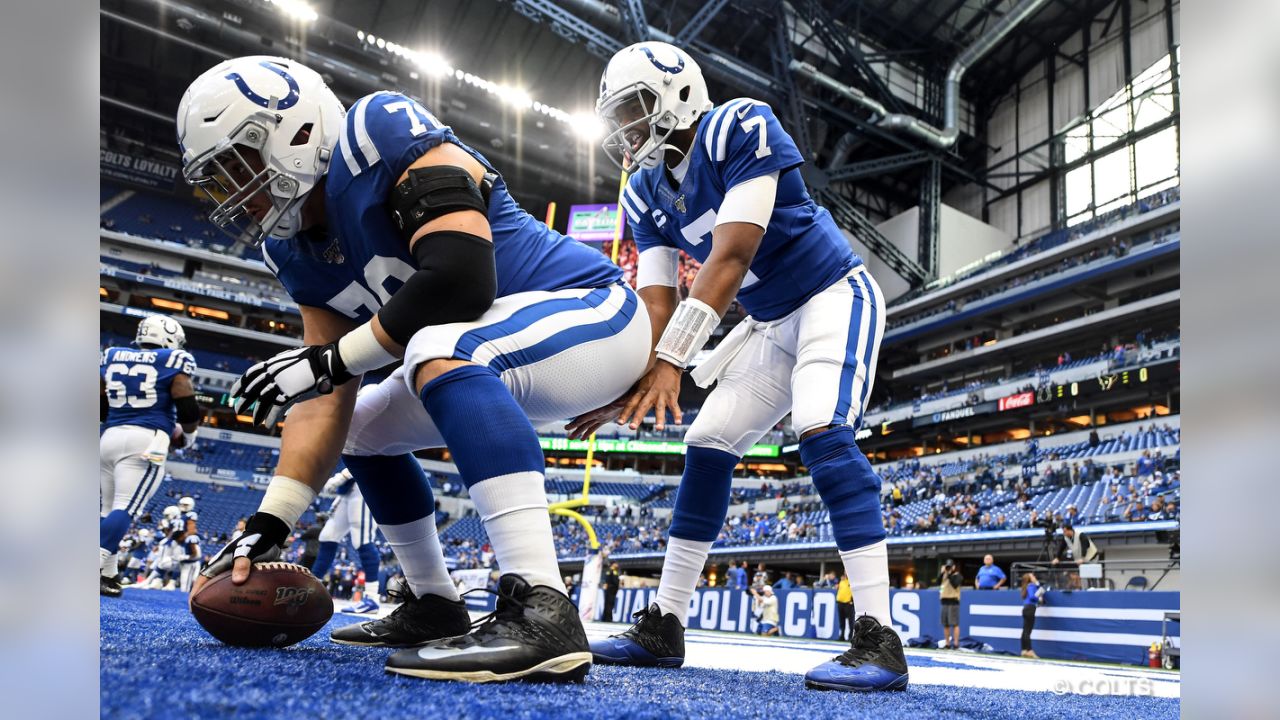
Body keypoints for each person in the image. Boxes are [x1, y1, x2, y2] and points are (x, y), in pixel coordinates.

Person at [179, 56, 650, 683]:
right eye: (222, 180)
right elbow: (328, 395)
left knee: (438, 346)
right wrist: (270, 522)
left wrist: (326, 363)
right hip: (494, 348)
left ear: (294, 130)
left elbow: (459, 281)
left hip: (593, 311)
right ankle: (434, 602)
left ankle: (542, 607)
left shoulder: (377, 132)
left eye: (243, 165)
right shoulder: (289, 249)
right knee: (362, 430)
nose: (241, 194)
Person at [582, 40, 906, 693]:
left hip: (831, 295)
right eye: (621, 114)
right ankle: (665, 624)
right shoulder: (646, 190)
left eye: (637, 108)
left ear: (676, 94)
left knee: (821, 426)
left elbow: (730, 255)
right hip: (768, 324)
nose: (628, 128)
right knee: (706, 441)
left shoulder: (739, 124)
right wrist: (631, 380)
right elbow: (657, 300)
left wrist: (672, 361)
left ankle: (880, 635)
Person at [99, 315, 201, 597]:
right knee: (126, 508)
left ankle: (107, 574)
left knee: (108, 510)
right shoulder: (173, 359)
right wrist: (188, 435)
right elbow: (188, 408)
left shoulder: (113, 355)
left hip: (109, 437)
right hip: (147, 439)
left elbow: (99, 404)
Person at [311, 465, 383, 615]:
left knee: (362, 539)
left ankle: (372, 598)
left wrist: (341, 477)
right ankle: (311, 589)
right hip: (351, 486)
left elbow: (370, 452)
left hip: (366, 481)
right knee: (328, 536)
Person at [1019, 572, 1045, 658]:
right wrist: (1039, 599)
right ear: (1030, 579)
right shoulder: (1031, 585)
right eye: (1033, 576)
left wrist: (1037, 584)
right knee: (1028, 631)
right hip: (1030, 609)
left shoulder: (1027, 586)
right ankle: (1029, 650)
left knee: (1025, 630)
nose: (1034, 577)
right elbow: (1032, 597)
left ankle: (1024, 650)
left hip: (1026, 608)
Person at [938, 560, 963, 650]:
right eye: (947, 566)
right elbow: (937, 582)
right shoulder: (944, 576)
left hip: (953, 601)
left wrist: (948, 574)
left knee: (954, 623)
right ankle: (947, 643)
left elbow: (955, 584)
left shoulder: (957, 575)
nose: (948, 568)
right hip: (944, 601)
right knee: (946, 624)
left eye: (950, 566)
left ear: (953, 567)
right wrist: (942, 573)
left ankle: (956, 644)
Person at [835, 573, 854, 642]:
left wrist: (852, 600)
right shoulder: (841, 580)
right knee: (841, 620)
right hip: (840, 602)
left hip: (848, 603)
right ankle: (842, 635)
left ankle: (850, 636)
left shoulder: (853, 580)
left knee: (850, 621)